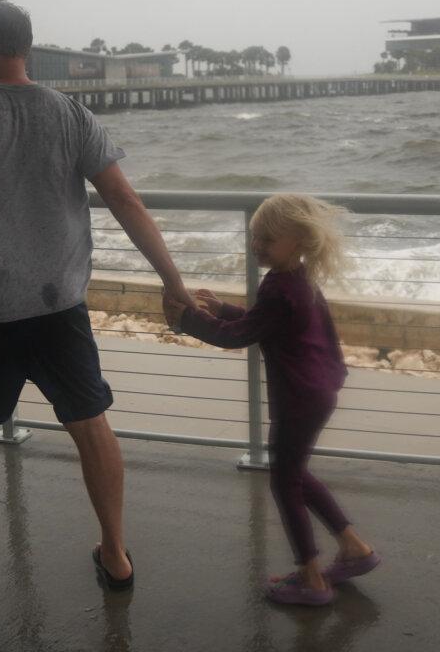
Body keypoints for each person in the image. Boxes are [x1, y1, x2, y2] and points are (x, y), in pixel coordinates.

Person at [0, 0, 194, 605]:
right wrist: (174, 283)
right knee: (91, 426)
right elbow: (125, 200)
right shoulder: (70, 113)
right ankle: (114, 556)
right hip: (59, 303)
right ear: (26, 46)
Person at [163, 194, 380, 606]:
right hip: (318, 390)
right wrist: (224, 308)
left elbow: (239, 336)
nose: (256, 245)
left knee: (284, 481)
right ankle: (354, 548)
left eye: (266, 238)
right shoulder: (298, 280)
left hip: (298, 395)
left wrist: (189, 318)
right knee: (295, 472)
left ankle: (312, 579)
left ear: (298, 239)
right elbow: (266, 322)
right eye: (254, 237)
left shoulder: (279, 288)